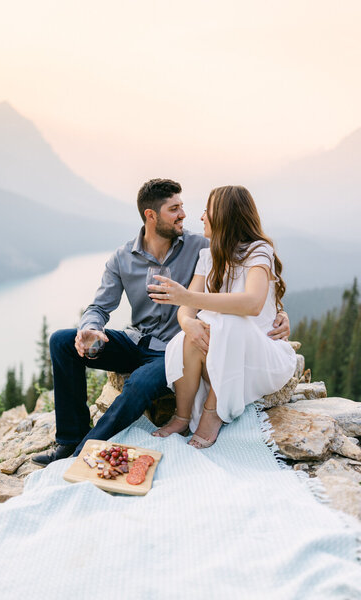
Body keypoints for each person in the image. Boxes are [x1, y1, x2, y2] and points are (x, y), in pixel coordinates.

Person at [33, 180, 291, 466]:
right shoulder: (122, 258)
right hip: (136, 341)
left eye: (183, 207)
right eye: (175, 209)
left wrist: (280, 313)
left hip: (170, 349)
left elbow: (248, 280)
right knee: (61, 341)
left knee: (140, 383)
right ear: (150, 215)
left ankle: (82, 452)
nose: (185, 215)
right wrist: (91, 327)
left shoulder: (201, 246)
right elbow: (100, 306)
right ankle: (69, 439)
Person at [149, 185, 297, 448]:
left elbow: (252, 304)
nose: (202, 217)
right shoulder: (208, 256)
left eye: (208, 211)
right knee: (191, 332)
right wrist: (188, 322)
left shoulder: (258, 252)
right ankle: (182, 417)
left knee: (230, 320)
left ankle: (212, 413)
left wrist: (188, 299)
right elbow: (187, 307)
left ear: (225, 215)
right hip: (221, 350)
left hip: (259, 357)